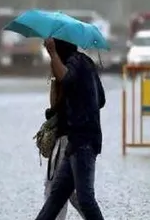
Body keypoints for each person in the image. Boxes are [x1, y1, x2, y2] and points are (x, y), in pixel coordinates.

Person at [35, 38, 106, 220]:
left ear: (60, 48)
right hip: (77, 142)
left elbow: (66, 79)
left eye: (54, 47)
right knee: (56, 198)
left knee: (85, 199)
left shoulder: (73, 62)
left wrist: (52, 54)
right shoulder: (86, 62)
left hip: (83, 141)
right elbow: (101, 99)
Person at [43, 79, 84, 220]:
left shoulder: (64, 75)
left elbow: (56, 105)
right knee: (72, 191)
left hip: (65, 139)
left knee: (55, 186)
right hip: (72, 138)